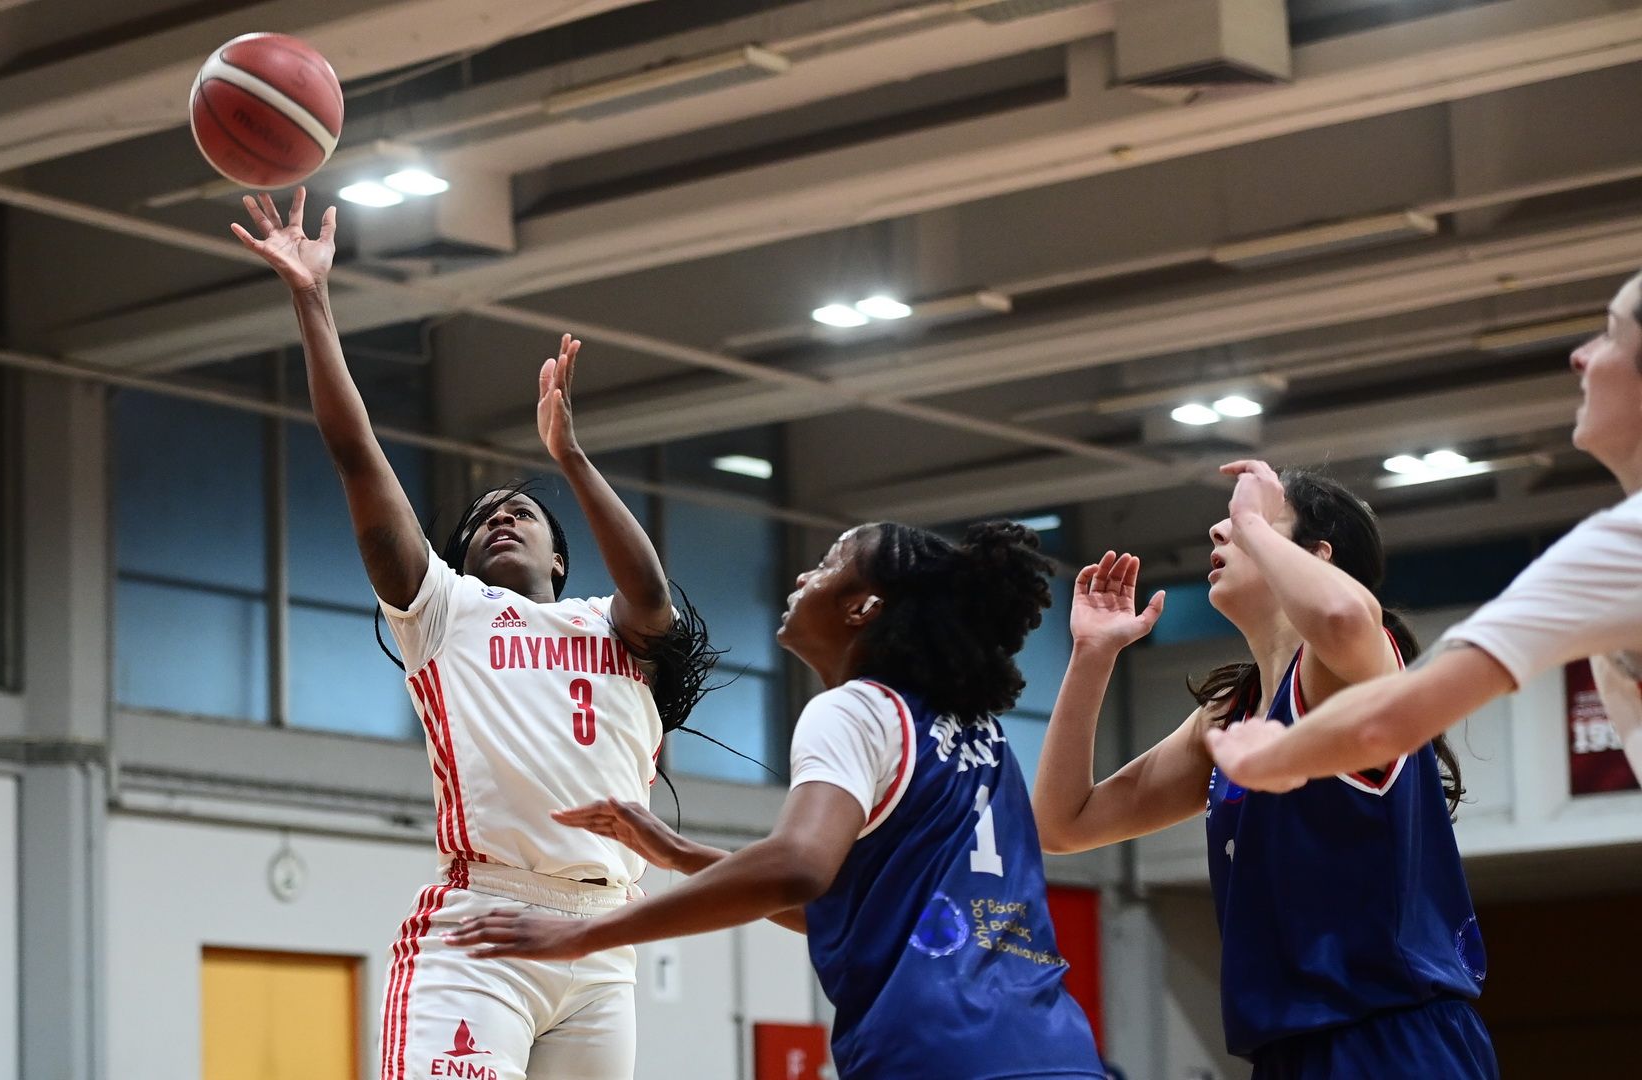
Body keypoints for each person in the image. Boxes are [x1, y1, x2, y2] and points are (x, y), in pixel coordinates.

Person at [233, 189, 717, 1080]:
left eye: (523, 510)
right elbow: (356, 454)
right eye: (484, 516)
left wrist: (570, 457)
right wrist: (312, 298)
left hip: (605, 939)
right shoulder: (446, 611)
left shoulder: (614, 625)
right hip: (484, 924)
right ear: (456, 557)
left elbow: (648, 588)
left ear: (561, 559)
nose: (503, 516)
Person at [450, 520, 1107, 1079]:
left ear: (862, 608)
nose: (802, 577)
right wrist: (682, 854)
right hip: (1059, 1049)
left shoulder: (856, 709)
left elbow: (797, 867)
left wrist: (585, 933)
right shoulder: (983, 736)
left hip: (940, 1052)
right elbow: (843, 909)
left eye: (828, 565)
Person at [1031, 461, 1495, 1079]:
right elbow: (1063, 824)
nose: (1223, 529)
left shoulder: (1352, 664)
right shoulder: (1229, 713)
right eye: (1232, 519)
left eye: (1253, 520)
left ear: (1317, 557)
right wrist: (1092, 657)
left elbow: (1342, 616)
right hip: (1287, 1049)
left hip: (1391, 1039)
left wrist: (1250, 520)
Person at [1207, 272, 1642, 792]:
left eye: (1611, 334)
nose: (1580, 356)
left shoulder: (1628, 544)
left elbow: (1389, 719)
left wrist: (1273, 757)